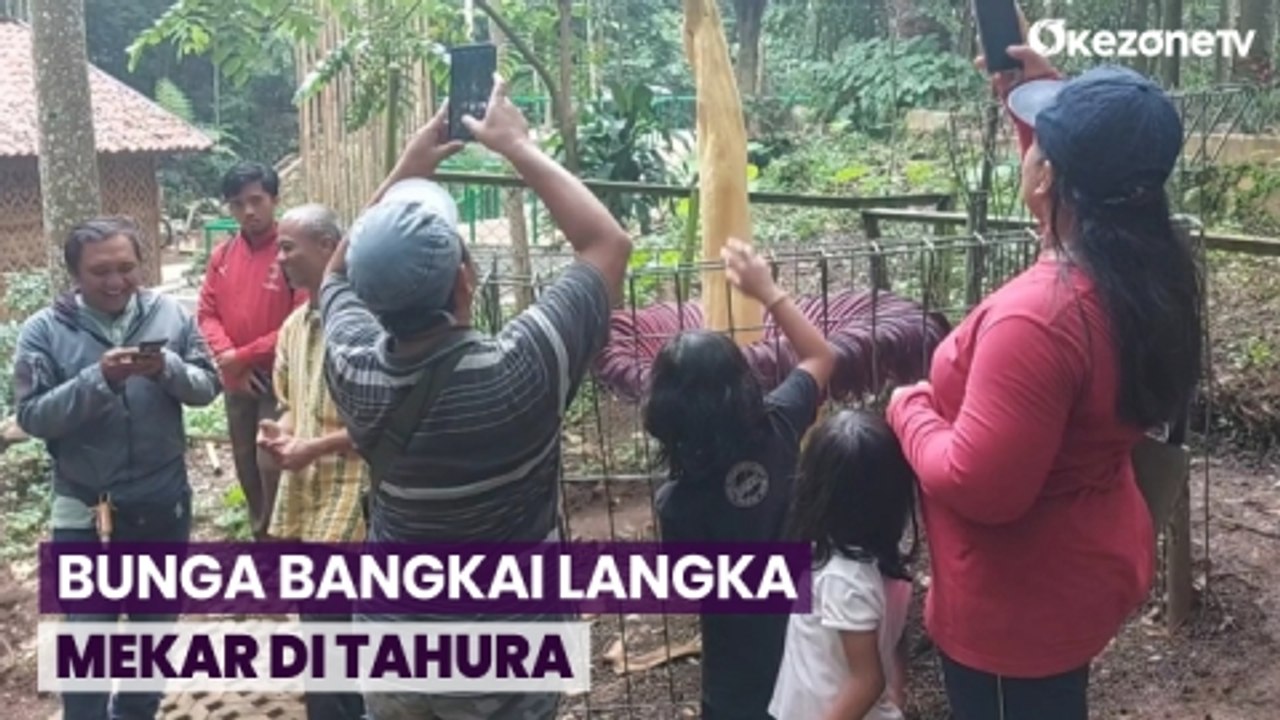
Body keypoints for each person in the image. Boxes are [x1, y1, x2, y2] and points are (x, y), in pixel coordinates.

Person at [885, 37, 1204, 720]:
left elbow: (982, 484)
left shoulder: (1036, 321)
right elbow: (1081, 193)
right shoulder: (1145, 262)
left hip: (1013, 612)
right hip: (1080, 568)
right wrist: (1034, 100)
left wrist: (908, 407)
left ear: (1048, 177)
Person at [319, 82, 632, 719]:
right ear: (466, 278)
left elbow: (332, 274)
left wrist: (406, 169)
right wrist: (517, 146)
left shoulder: (350, 364)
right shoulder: (518, 372)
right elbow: (608, 246)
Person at [12, 216, 221, 720]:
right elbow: (32, 415)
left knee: (154, 624)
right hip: (84, 503)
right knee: (88, 628)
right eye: (100, 270)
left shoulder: (168, 314)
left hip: (162, 496)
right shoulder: (44, 330)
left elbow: (208, 385)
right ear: (74, 275)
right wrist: (97, 379)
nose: (115, 281)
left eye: (127, 267)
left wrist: (167, 369)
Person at [642, 239, 835, 719]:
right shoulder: (779, 423)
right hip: (806, 636)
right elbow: (820, 357)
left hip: (737, 673)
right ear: (744, 382)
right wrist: (768, 292)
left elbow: (688, 590)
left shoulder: (677, 504)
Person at [256, 203, 368, 719]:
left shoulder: (367, 323)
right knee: (322, 637)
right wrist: (280, 431)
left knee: (358, 638)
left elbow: (386, 427)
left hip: (358, 508)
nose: (278, 258)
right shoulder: (296, 325)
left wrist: (312, 448)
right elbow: (289, 401)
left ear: (329, 248)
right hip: (311, 505)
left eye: (287, 246)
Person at [767, 409, 916, 720]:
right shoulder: (885, 558)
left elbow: (867, 681)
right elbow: (896, 636)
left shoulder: (843, 577)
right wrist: (897, 695)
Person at [198, 161, 306, 539]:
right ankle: (262, 538)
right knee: (244, 461)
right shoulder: (222, 256)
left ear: (274, 199)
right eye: (237, 203)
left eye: (256, 200)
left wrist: (241, 357)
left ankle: (286, 542)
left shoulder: (292, 252)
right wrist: (230, 360)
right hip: (236, 378)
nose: (248, 211)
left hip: (280, 378)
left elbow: (299, 320)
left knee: (272, 461)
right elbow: (207, 314)